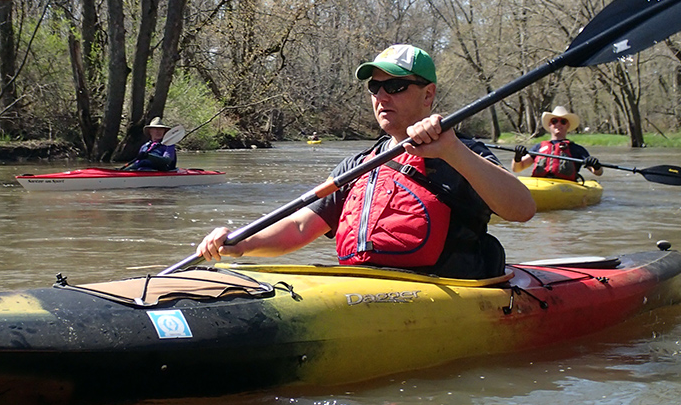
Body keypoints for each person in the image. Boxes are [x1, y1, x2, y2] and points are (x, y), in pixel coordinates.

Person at [196, 44, 536, 279]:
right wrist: (240, 242)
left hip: (442, 291)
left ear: (428, 94)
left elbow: (522, 209)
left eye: (397, 86)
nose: (382, 96)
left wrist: (452, 151)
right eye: (376, 87)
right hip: (363, 286)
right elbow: (300, 228)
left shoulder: (462, 152)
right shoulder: (358, 166)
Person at [511, 105, 603, 180]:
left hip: (565, 187)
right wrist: (517, 157)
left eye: (563, 121)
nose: (558, 124)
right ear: (550, 125)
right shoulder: (538, 147)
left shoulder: (576, 149)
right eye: (554, 121)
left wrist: (596, 166)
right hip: (540, 183)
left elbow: (598, 173)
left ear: (568, 125)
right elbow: (517, 169)